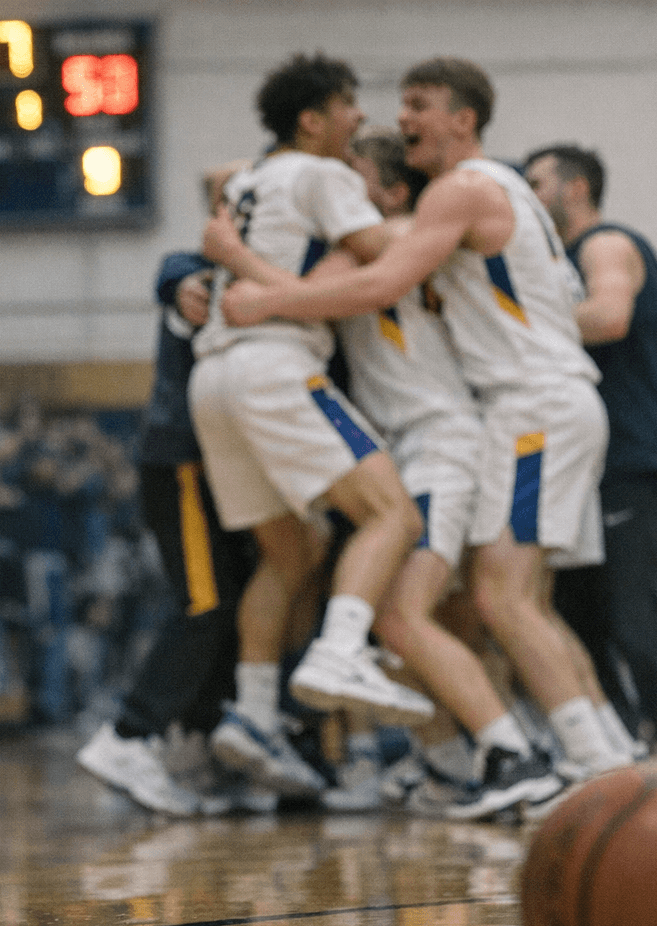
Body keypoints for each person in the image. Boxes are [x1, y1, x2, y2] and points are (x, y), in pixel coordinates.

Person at [216, 57, 632, 793]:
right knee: (504, 604)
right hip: (521, 409)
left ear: (463, 120)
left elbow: (374, 284)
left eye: (418, 104)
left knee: (469, 605)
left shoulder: (453, 198)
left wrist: (242, 269)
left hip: (515, 410)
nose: (400, 117)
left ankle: (574, 763)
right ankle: (575, 750)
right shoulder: (483, 198)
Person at [185, 53, 436, 795]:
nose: (360, 120)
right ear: (312, 118)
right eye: (348, 104)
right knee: (393, 515)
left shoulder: (249, 179)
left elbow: (216, 180)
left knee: (291, 552)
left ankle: (255, 712)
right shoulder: (323, 175)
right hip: (275, 365)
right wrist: (434, 219)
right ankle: (339, 650)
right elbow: (384, 253)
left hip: (215, 378)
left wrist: (235, 259)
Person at [327, 130, 565, 817]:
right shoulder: (398, 232)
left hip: (443, 443)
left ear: (393, 192)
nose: (337, 187)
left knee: (403, 617)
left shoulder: (391, 236)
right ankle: (458, 766)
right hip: (423, 446)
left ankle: (512, 752)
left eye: (352, 175)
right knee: (433, 620)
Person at [76, 247, 325, 816]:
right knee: (204, 603)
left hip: (223, 468)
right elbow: (178, 266)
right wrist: (178, 279)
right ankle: (128, 735)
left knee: (233, 605)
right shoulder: (209, 275)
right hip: (181, 461)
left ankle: (196, 747)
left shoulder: (277, 273)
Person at [523, 144, 657, 764]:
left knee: (633, 614)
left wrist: (514, 322)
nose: (527, 198)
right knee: (578, 616)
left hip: (635, 456)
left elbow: (609, 316)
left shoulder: (607, 243)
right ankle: (618, 755)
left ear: (576, 187)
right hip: (591, 462)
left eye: (537, 183)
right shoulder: (562, 260)